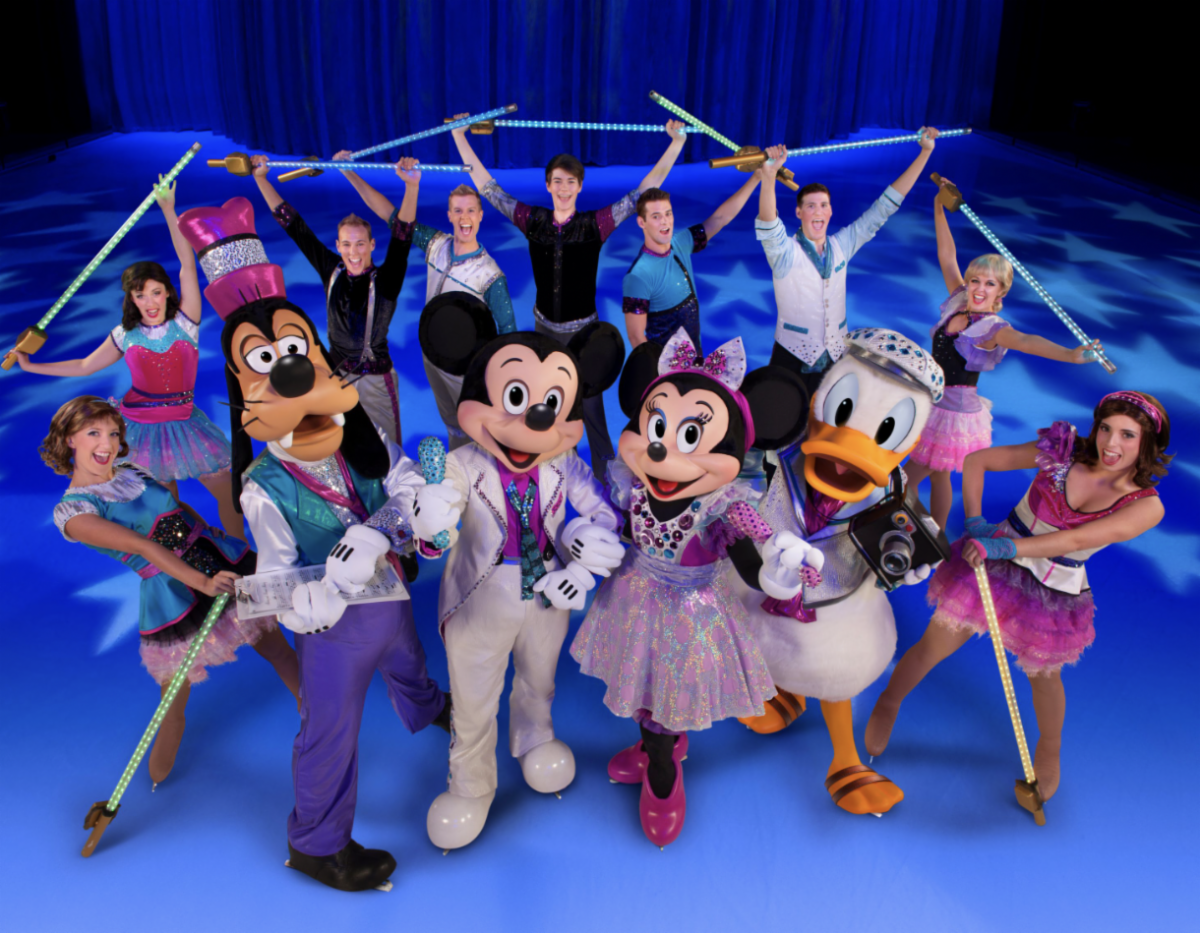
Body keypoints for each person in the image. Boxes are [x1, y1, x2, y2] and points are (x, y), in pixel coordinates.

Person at [570, 329, 815, 846]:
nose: (659, 449)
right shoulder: (629, 484)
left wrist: (782, 564)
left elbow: (759, 546)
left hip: (690, 614)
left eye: (690, 436)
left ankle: (662, 773)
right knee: (641, 683)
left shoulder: (725, 505)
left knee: (669, 692)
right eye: (654, 426)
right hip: (634, 597)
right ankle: (655, 744)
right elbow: (610, 523)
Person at [864, 392, 1170, 804]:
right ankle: (889, 700)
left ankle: (1049, 749)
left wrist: (1008, 549)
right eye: (1106, 428)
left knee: (1044, 678)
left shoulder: (1147, 507)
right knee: (935, 644)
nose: (1111, 444)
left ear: (1148, 443)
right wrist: (974, 521)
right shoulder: (1062, 451)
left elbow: (1078, 538)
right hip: (990, 558)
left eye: (1128, 435)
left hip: (1052, 588)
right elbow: (978, 461)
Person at [45, 396, 299, 785]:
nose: (107, 443)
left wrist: (215, 541)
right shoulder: (75, 512)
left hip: (217, 558)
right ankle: (157, 773)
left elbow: (178, 509)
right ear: (68, 440)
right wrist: (203, 582)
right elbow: (147, 547)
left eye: (113, 433)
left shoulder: (131, 470)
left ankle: (317, 716)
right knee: (174, 696)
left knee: (276, 646)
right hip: (174, 591)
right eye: (93, 433)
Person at [452, 118, 689, 474]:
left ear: (580, 186)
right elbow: (489, 188)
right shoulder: (532, 220)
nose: (564, 188)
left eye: (571, 182)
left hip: (584, 335)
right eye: (558, 181)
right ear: (548, 185)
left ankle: (606, 481)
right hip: (544, 332)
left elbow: (642, 192)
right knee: (542, 407)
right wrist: (458, 136)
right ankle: (545, 476)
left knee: (591, 409)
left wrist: (675, 144)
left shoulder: (596, 225)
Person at [15, 179, 242, 538]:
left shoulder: (186, 323)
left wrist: (169, 208)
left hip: (186, 423)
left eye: (156, 292)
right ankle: (197, 558)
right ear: (132, 299)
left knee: (230, 494)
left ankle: (240, 550)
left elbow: (187, 264)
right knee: (168, 509)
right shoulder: (125, 335)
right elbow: (84, 366)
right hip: (140, 429)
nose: (150, 302)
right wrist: (30, 366)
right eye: (141, 295)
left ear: (168, 292)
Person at [904, 175, 1101, 532]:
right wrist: (937, 206)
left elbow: (1027, 340)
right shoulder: (958, 302)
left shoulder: (993, 329)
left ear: (1001, 292)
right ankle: (934, 539)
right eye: (975, 279)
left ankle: (925, 534)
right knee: (939, 477)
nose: (978, 288)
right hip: (930, 399)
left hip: (953, 413)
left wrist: (1071, 355)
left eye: (989, 283)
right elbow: (946, 255)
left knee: (903, 479)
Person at [335, 153, 517, 449]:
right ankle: (459, 475)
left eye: (471, 210)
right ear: (449, 215)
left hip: (466, 369)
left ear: (481, 215)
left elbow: (508, 331)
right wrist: (349, 173)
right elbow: (391, 215)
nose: (464, 218)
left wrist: (496, 379)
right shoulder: (436, 244)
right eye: (457, 211)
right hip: (431, 358)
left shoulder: (490, 274)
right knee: (453, 425)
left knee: (477, 430)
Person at [754, 129, 940, 398]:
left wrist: (925, 153)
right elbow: (769, 224)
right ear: (798, 212)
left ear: (831, 211)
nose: (818, 211)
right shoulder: (786, 252)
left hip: (836, 356)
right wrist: (769, 176)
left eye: (824, 205)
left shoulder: (843, 244)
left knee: (829, 428)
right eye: (811, 206)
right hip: (792, 356)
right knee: (781, 425)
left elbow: (884, 207)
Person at [248, 153, 418, 445]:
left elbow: (403, 237)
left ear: (372, 245)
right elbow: (294, 227)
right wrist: (260, 178)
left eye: (361, 244)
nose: (354, 252)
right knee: (342, 446)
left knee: (386, 451)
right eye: (348, 244)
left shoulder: (386, 281)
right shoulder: (332, 270)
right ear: (338, 246)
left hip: (375, 381)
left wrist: (411, 187)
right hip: (334, 376)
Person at [622, 172, 762, 353]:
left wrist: (757, 177)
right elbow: (636, 337)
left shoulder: (682, 242)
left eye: (668, 213)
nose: (665, 221)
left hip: (695, 359)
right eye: (656, 216)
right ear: (642, 222)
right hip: (664, 370)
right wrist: (657, 376)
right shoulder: (638, 276)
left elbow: (720, 219)